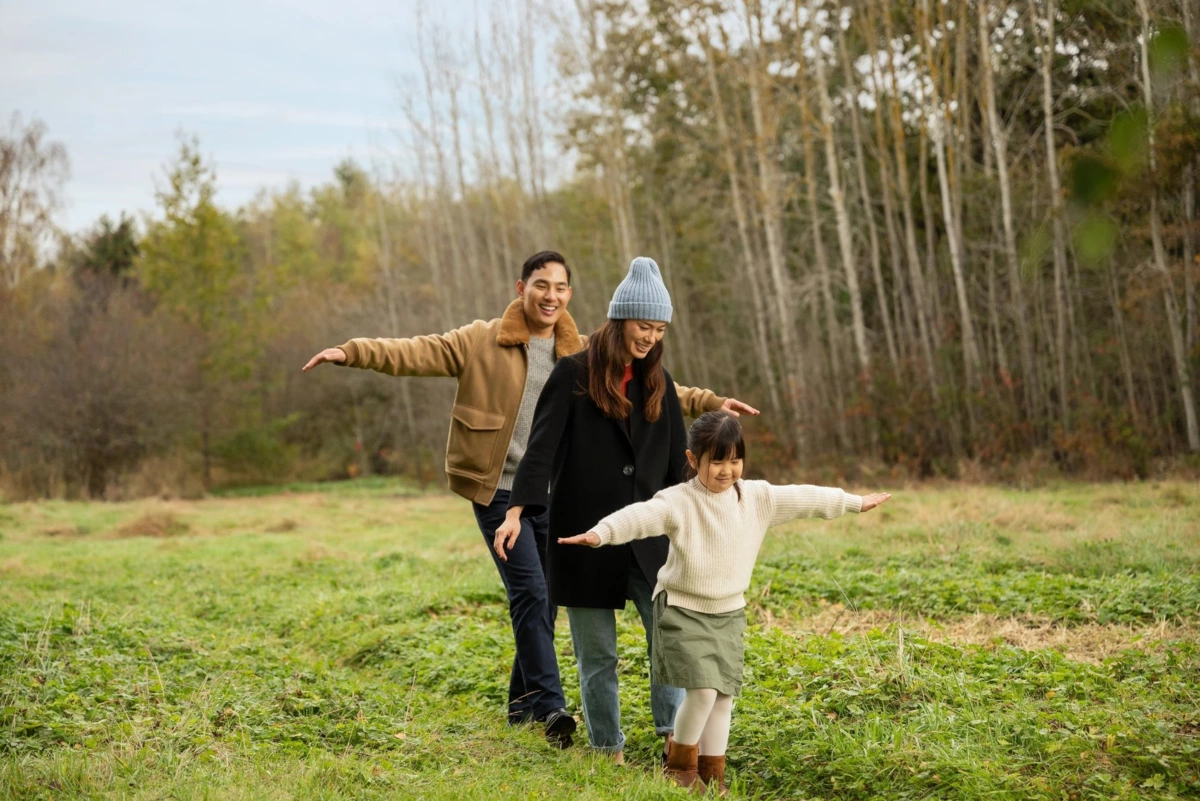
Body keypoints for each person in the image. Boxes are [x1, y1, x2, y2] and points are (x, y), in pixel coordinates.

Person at [302, 251, 756, 748]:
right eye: (542, 285)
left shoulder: (615, 363)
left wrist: (712, 411)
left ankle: (589, 717)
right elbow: (424, 358)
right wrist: (351, 351)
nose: (552, 295)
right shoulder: (509, 347)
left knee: (617, 625)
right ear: (522, 288)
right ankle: (577, 726)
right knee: (562, 621)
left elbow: (667, 424)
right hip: (540, 510)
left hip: (603, 518)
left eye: (561, 287)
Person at [558, 410, 891, 793]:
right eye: (716, 460)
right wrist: (600, 534)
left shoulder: (757, 497)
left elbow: (804, 497)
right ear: (692, 459)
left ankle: (712, 773)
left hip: (728, 613)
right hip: (683, 608)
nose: (726, 470)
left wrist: (854, 502)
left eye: (734, 460)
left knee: (723, 699)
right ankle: (679, 768)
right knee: (701, 692)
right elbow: (640, 516)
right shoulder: (679, 500)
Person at [498, 256, 714, 764]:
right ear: (621, 321)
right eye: (644, 326)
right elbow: (541, 450)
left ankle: (673, 737)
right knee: (598, 655)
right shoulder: (573, 374)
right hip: (584, 537)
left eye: (659, 329)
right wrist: (515, 512)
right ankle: (605, 748)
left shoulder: (659, 381)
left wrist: (697, 518)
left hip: (649, 538)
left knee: (668, 641)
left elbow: (677, 465)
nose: (650, 337)